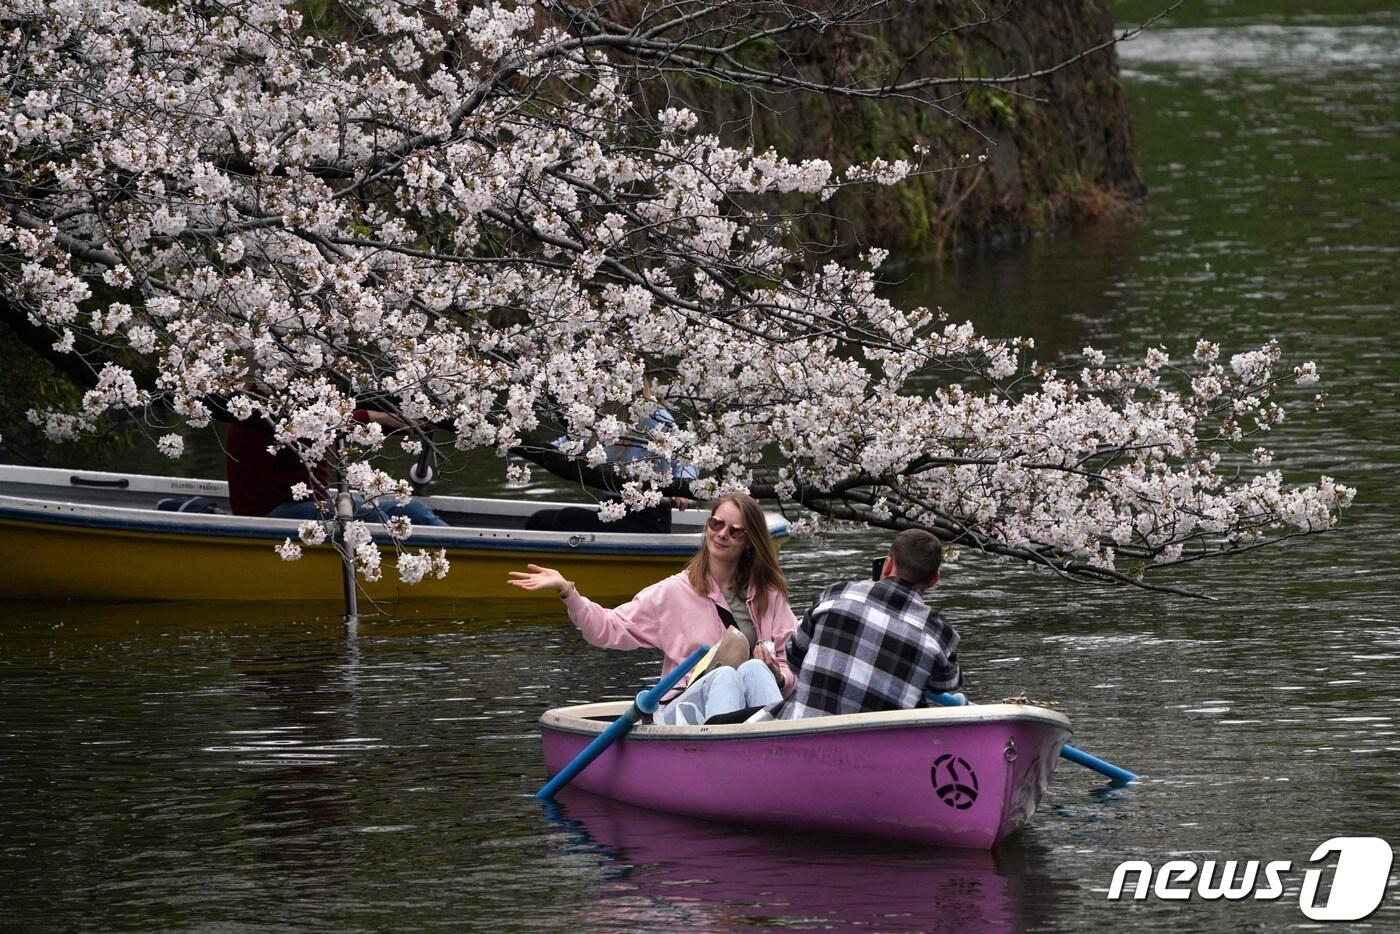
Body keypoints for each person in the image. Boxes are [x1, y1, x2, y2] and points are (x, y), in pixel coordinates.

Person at [508, 492, 797, 724]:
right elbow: (608, 629)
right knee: (723, 676)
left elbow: (795, 663)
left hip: (751, 709)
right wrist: (567, 591)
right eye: (716, 524)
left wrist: (779, 675)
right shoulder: (673, 592)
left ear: (749, 542)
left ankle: (775, 750)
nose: (722, 535)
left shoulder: (768, 595)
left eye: (736, 532)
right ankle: (725, 757)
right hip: (685, 710)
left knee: (758, 670)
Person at [773, 528, 961, 720]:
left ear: (887, 565)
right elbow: (946, 685)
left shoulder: (835, 595)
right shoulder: (938, 634)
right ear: (933, 580)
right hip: (877, 745)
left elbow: (794, 655)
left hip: (806, 731)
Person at [224, 409, 448, 526]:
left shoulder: (279, 405)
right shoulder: (265, 412)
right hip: (275, 513)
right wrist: (374, 416)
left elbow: (334, 420)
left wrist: (404, 422)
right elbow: (316, 424)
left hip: (300, 505)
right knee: (413, 511)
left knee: (409, 509)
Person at [525, 404, 696, 534]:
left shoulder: (656, 416)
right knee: (539, 520)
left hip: (648, 516)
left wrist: (682, 488)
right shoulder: (595, 415)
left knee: (568, 517)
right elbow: (563, 446)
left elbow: (684, 455)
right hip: (610, 509)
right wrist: (521, 447)